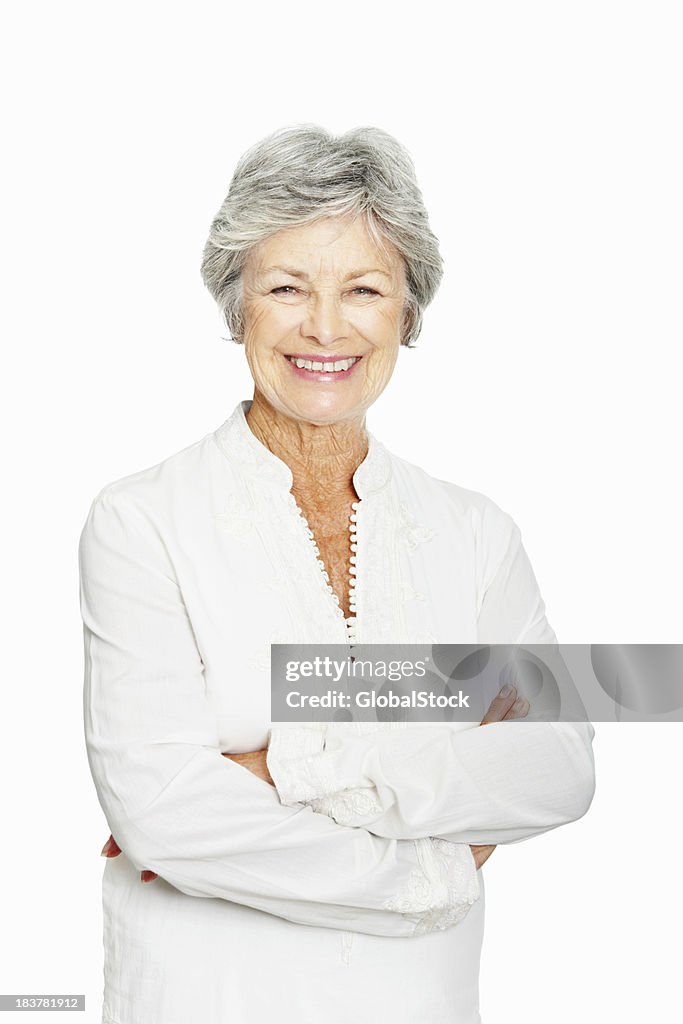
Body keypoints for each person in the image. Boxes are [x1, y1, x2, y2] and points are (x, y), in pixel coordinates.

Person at [78, 125, 596, 1024]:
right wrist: (433, 859)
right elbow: (164, 813)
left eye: (363, 288)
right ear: (238, 306)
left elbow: (557, 766)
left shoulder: (475, 532)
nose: (325, 326)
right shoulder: (139, 520)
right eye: (286, 287)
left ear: (407, 310)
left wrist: (294, 763)